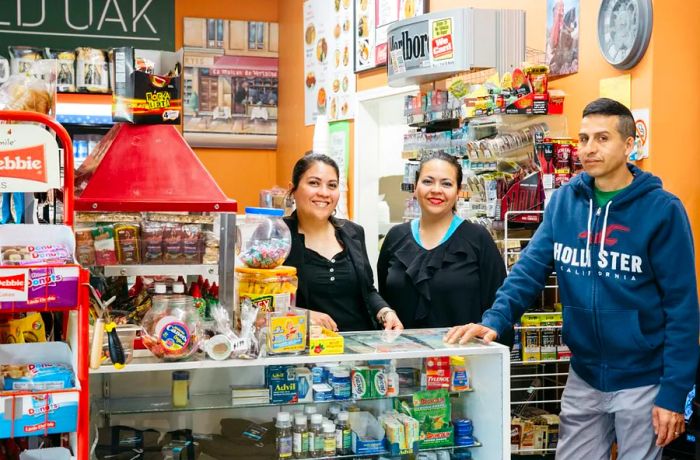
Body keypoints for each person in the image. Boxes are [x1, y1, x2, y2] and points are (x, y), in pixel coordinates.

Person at [446, 98, 699, 459]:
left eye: (602, 138)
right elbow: (529, 270)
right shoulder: (565, 202)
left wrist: (673, 393)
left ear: (629, 145)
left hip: (643, 379)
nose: (589, 149)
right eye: (583, 139)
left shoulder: (663, 211)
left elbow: (682, 308)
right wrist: (495, 320)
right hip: (583, 375)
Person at [377, 152, 508, 339]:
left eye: (446, 183)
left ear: (458, 191)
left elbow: (498, 308)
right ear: (415, 187)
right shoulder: (396, 237)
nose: (436, 190)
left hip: (463, 361)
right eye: (428, 181)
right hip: (404, 361)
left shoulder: (478, 239)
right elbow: (383, 299)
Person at [284, 153, 403, 332]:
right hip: (305, 351)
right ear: (293, 189)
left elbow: (367, 290)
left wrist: (386, 312)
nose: (324, 193)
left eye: (332, 185)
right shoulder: (278, 236)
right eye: (314, 183)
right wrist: (302, 316)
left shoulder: (353, 232)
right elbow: (259, 303)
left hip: (358, 349)